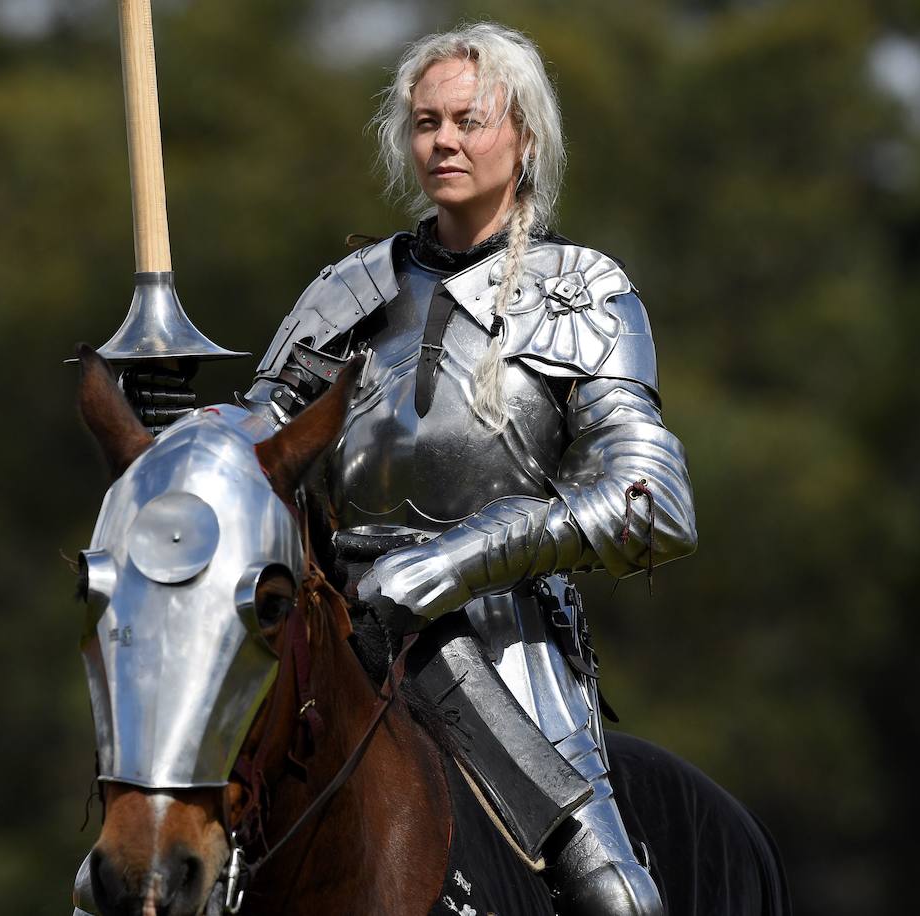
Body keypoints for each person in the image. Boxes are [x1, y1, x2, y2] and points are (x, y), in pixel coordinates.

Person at [224, 23, 696, 916]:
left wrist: (453, 562)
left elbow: (653, 501)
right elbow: (261, 450)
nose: (443, 140)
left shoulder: (582, 292)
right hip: (334, 633)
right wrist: (176, 424)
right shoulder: (346, 293)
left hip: (502, 650)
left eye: (469, 120)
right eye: (426, 121)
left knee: (618, 906)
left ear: (523, 138)